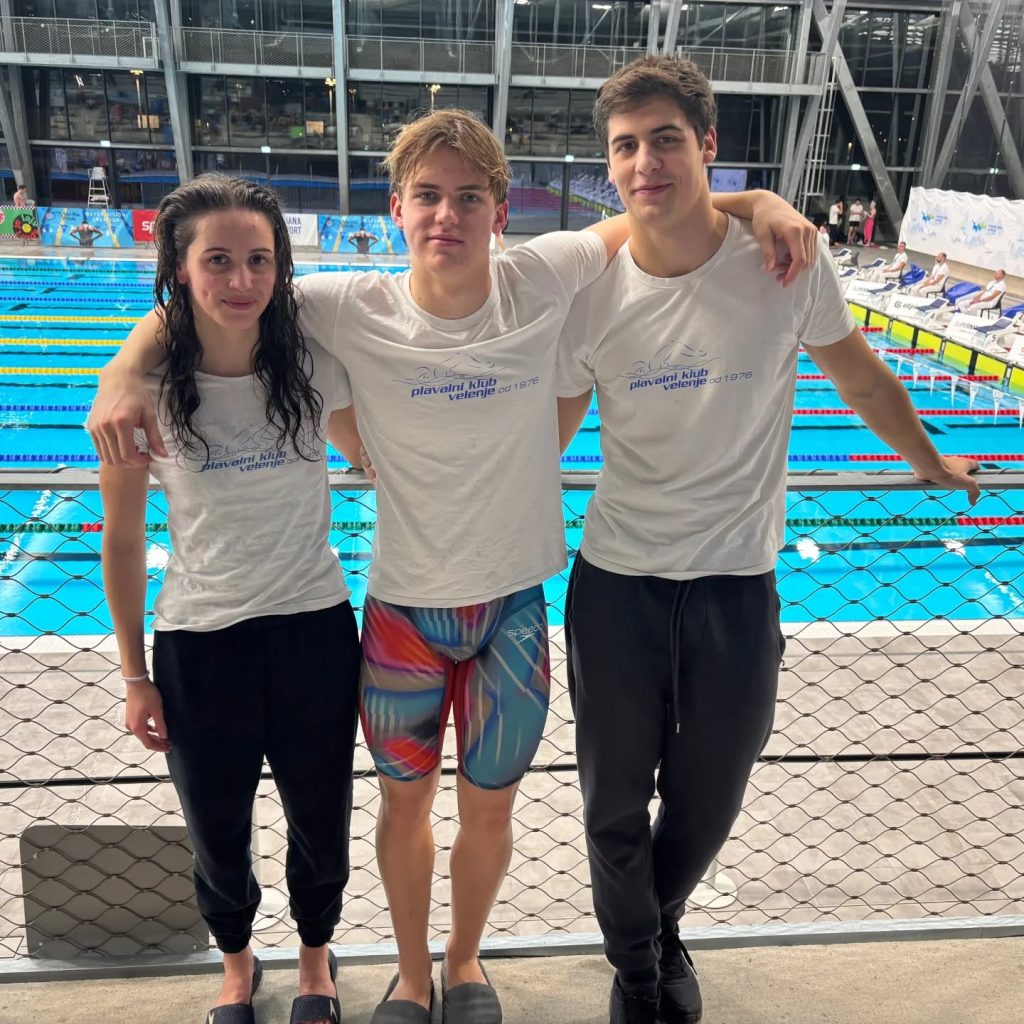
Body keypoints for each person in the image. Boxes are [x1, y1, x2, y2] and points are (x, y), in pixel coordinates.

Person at [86, 110, 818, 1024]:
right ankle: (409, 973)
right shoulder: (345, 304)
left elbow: (654, 208)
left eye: (469, 197)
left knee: (489, 813)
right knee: (403, 810)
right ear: (395, 208)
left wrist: (759, 200)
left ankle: (465, 961)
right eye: (427, 196)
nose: (447, 214)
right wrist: (124, 369)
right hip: (403, 615)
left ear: (500, 211)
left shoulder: (543, 273)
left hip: (513, 611)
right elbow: (214, 292)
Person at [555, 56, 981, 1024]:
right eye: (626, 146)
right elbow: (549, 426)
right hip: (616, 583)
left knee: (709, 798)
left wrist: (928, 459)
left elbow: (861, 378)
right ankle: (638, 974)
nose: (645, 162)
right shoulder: (590, 287)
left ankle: (656, 924)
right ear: (609, 164)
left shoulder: (783, 262)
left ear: (706, 145)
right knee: (612, 805)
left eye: (666, 139)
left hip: (735, 585)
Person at [98, 176, 362, 1024]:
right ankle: (238, 965)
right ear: (180, 270)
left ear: (281, 267)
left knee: (321, 820)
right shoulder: (142, 393)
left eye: (258, 260)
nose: (241, 280)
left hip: (315, 631)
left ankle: (315, 961)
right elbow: (123, 542)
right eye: (217, 260)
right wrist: (134, 676)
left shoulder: (314, 363)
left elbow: (372, 453)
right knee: (216, 832)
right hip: (200, 642)